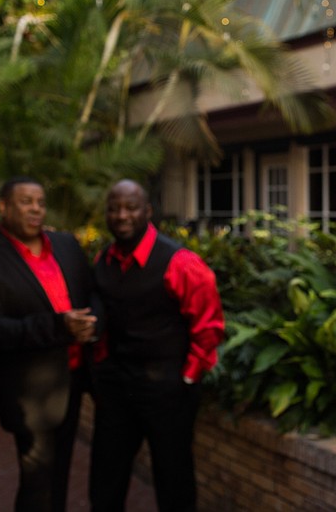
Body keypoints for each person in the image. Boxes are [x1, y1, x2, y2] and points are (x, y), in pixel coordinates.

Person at [0, 176, 100, 512]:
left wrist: (92, 325)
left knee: (61, 475)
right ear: (4, 206)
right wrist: (59, 326)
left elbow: (93, 293)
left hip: (74, 381)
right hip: (30, 394)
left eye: (40, 202)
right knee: (38, 484)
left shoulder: (66, 245)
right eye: (26, 202)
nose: (35, 209)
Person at [90, 179, 225, 512]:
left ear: (147, 211)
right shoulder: (103, 259)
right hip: (117, 387)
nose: (121, 215)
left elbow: (208, 328)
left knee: (173, 479)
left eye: (130, 207)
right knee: (105, 478)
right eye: (114, 208)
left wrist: (188, 378)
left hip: (168, 388)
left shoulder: (180, 262)